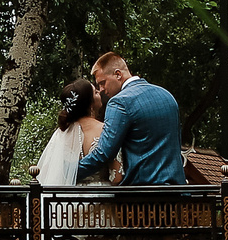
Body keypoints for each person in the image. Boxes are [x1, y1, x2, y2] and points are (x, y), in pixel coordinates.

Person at [76, 53, 182, 186]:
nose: (101, 90)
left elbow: (103, 153)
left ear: (118, 74)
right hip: (176, 193)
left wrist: (70, 172)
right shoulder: (167, 96)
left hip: (142, 196)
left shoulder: (119, 103)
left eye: (103, 83)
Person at [32, 80, 115, 188]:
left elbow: (52, 171)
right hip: (102, 198)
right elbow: (117, 177)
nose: (99, 91)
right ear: (90, 104)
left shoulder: (61, 133)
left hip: (70, 200)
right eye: (95, 92)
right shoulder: (106, 129)